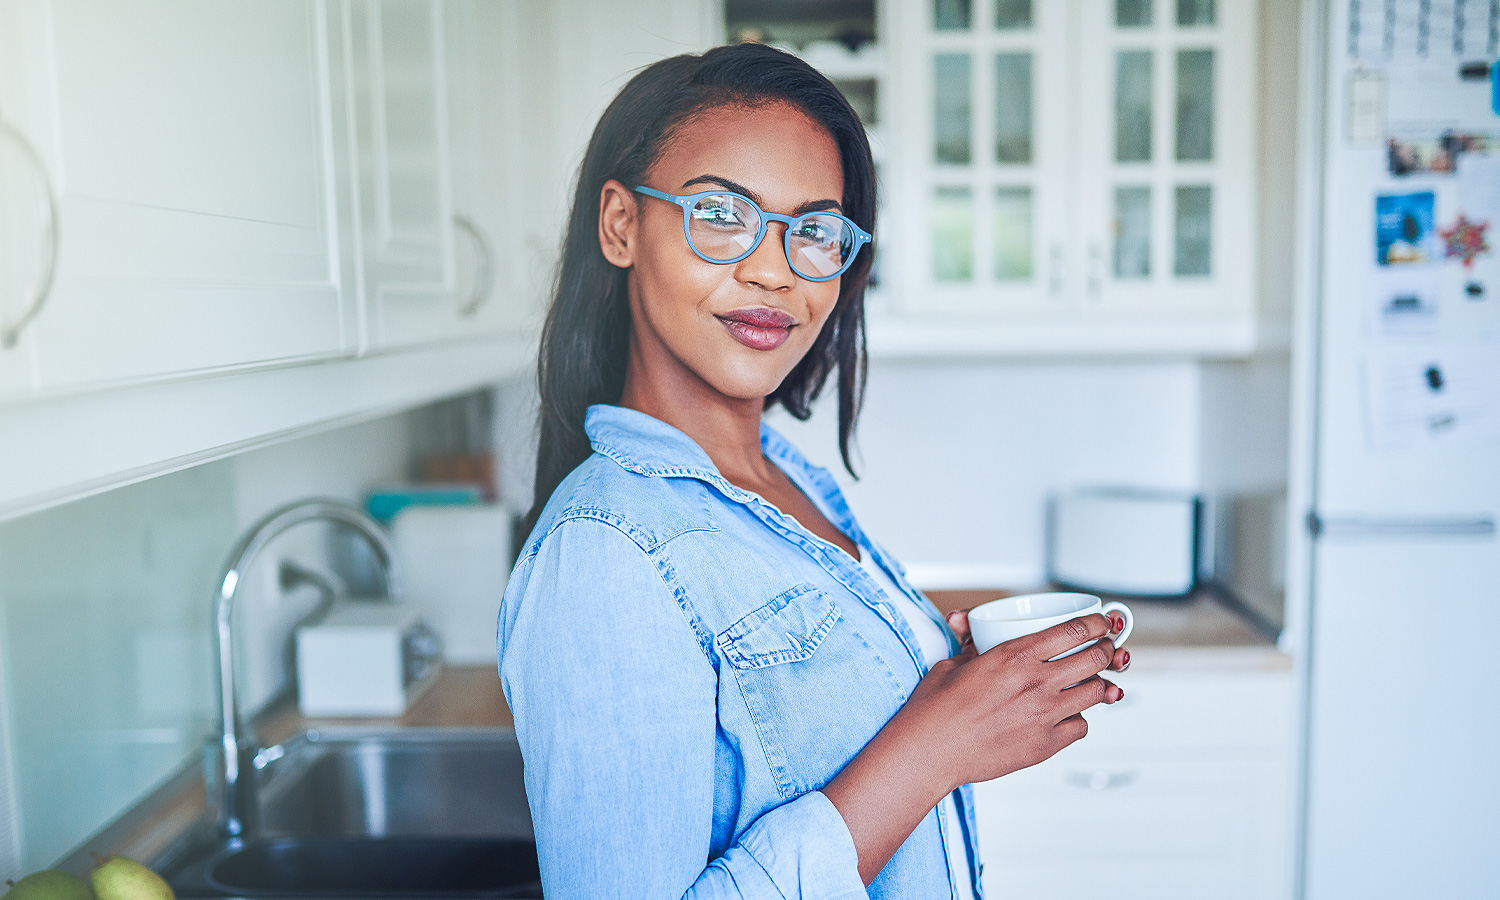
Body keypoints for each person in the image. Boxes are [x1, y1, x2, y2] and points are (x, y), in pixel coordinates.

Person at [496, 42, 1129, 899]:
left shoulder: (784, 481)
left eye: (815, 230)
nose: (773, 269)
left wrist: (941, 673)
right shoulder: (606, 553)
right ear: (621, 226)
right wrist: (938, 743)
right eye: (721, 214)